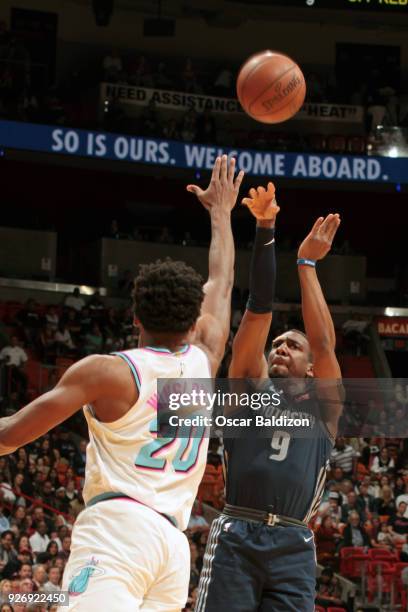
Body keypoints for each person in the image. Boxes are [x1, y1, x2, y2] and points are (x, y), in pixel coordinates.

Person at [0, 156, 244, 611]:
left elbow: (10, 437)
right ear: (195, 320)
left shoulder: (108, 372)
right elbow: (223, 281)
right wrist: (221, 213)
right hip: (173, 548)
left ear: (133, 317)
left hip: (117, 532)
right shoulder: (204, 358)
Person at [195, 183, 343, 612]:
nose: (280, 347)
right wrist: (265, 230)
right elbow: (258, 311)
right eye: (277, 344)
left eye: (293, 346)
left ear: (311, 370)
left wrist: (307, 265)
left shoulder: (323, 407)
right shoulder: (247, 392)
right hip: (238, 531)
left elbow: (325, 344)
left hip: (294, 542)